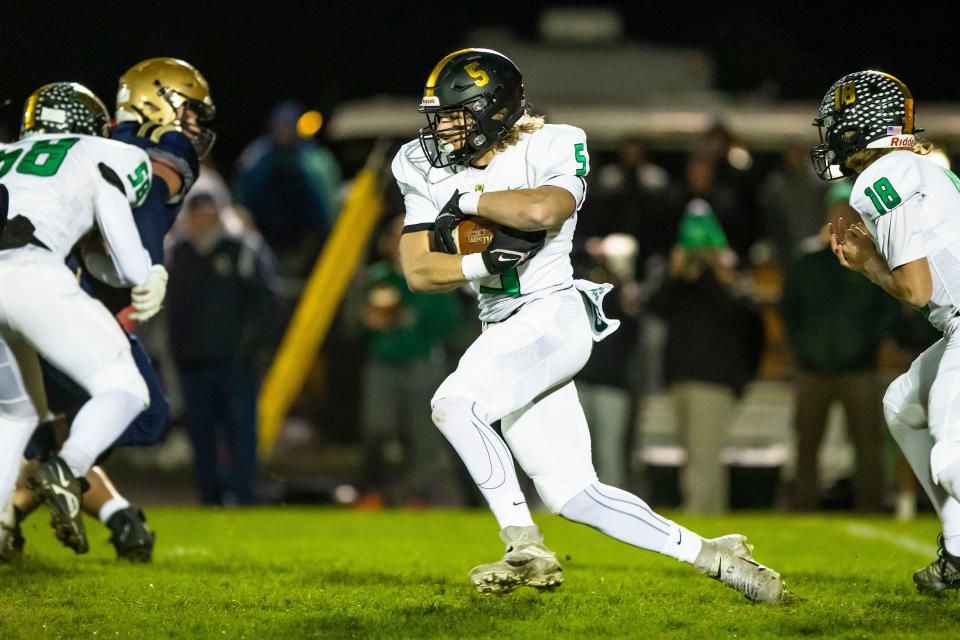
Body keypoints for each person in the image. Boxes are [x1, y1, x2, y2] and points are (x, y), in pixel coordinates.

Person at [394, 47, 785, 603]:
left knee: (454, 404)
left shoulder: (555, 142)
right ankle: (717, 558)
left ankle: (522, 544)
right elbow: (417, 269)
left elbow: (543, 212)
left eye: (455, 116)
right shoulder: (418, 161)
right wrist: (483, 261)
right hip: (501, 323)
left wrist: (466, 198)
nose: (440, 130)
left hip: (552, 313)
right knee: (574, 493)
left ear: (495, 112)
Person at [4, 58, 216, 562]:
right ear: (155, 103)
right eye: (187, 112)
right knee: (138, 408)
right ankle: (41, 489)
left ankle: (32, 502)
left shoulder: (19, 154)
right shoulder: (153, 153)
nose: (194, 126)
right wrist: (147, 269)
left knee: (30, 420)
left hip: (28, 292)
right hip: (48, 295)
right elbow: (127, 209)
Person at [813, 70, 960, 591]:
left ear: (859, 125)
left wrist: (870, 265)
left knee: (951, 461)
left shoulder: (883, 176)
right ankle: (958, 549)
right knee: (903, 402)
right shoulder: (916, 166)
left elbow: (916, 290)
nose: (830, 136)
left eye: (836, 123)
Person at [0, 82, 158, 560]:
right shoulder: (101, 152)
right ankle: (66, 469)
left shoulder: (6, 153)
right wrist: (146, 274)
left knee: (14, 413)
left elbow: (89, 259)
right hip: (29, 271)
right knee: (125, 388)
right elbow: (126, 266)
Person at [781, 183, 898, 511]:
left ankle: (872, 506)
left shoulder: (870, 259)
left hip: (859, 367)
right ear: (829, 213)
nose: (843, 216)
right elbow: (789, 310)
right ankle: (803, 506)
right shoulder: (806, 258)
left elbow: (887, 307)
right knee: (807, 443)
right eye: (838, 210)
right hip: (812, 368)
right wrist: (803, 349)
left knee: (867, 443)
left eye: (849, 210)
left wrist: (868, 346)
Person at [648, 200, 764, 514]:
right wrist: (675, 274)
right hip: (682, 377)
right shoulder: (679, 281)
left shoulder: (728, 277)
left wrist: (714, 274)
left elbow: (743, 318)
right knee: (698, 456)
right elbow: (655, 308)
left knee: (702, 458)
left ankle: (697, 520)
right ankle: (712, 519)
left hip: (714, 380)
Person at [167, 192, 278, 505]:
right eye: (197, 214)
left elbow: (267, 305)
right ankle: (210, 495)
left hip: (234, 362)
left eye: (208, 214)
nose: (202, 220)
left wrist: (249, 349)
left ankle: (243, 494)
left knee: (240, 431)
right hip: (192, 361)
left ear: (219, 215)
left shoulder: (242, 249)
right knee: (201, 433)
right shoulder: (180, 252)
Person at [358, 214, 461, 506]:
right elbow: (354, 323)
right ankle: (380, 491)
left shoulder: (435, 273)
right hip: (384, 362)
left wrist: (404, 318)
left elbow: (449, 323)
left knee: (424, 434)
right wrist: (367, 320)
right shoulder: (378, 276)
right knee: (379, 429)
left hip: (423, 363)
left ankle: (419, 495)